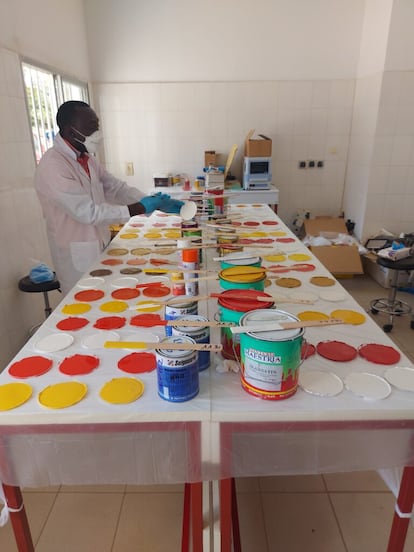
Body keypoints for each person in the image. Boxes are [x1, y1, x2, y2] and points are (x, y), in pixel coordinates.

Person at [34, 100, 183, 294]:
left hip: (101, 245)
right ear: (70, 131)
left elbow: (114, 188)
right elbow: (87, 213)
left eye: (97, 127)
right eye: (90, 128)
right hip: (76, 255)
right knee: (83, 306)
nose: (98, 134)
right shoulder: (53, 166)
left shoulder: (86, 157)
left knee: (104, 296)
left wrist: (154, 202)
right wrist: (140, 207)